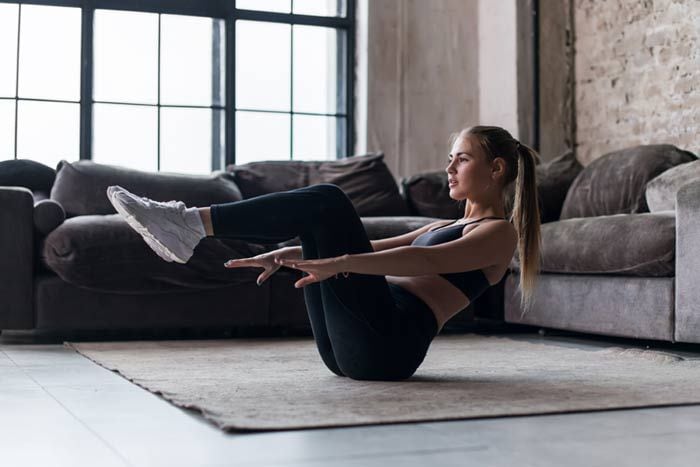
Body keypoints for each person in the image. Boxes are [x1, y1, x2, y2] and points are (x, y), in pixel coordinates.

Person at [107, 125, 541, 381]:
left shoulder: (499, 234)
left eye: (461, 160)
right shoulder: (444, 225)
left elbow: (427, 262)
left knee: (329, 200)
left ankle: (190, 223)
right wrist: (285, 254)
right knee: (320, 216)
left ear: (496, 169)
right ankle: (190, 226)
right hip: (351, 350)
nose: (448, 169)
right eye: (450, 159)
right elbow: (364, 247)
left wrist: (342, 264)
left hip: (389, 347)